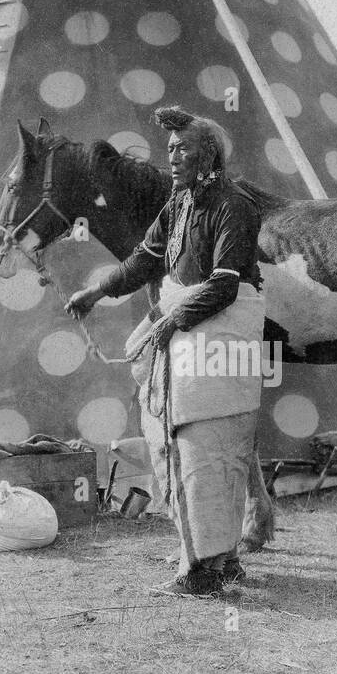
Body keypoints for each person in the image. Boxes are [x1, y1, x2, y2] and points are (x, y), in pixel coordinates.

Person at [66, 105, 265, 597]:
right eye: (171, 149)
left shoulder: (233, 207)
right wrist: (98, 291)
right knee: (170, 438)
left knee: (208, 447)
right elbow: (146, 258)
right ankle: (218, 558)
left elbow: (224, 286)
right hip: (191, 333)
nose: (173, 157)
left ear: (210, 156)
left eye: (184, 149)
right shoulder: (178, 205)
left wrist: (172, 321)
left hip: (222, 338)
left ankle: (203, 571)